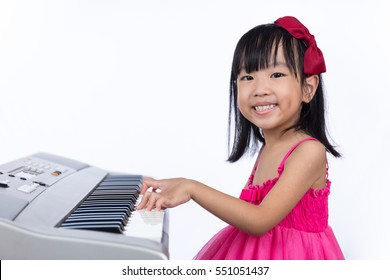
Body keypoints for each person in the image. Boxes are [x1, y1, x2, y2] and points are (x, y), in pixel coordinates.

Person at [137, 16, 345, 260]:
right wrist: (179, 182)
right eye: (247, 77)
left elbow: (259, 220)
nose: (260, 89)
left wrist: (192, 188)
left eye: (276, 74)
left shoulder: (308, 151)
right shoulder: (269, 147)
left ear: (308, 88)